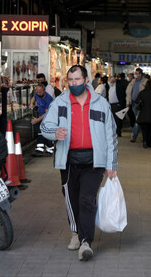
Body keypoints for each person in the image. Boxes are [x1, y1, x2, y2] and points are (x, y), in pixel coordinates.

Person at [41, 65, 118, 261]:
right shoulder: (60, 102)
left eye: (77, 79)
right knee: (72, 200)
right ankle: (75, 233)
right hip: (68, 160)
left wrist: (111, 165)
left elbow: (111, 137)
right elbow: (45, 126)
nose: (74, 83)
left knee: (87, 199)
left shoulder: (101, 104)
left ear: (86, 80)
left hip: (95, 161)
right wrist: (54, 133)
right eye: (71, 80)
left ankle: (85, 242)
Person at [30, 83, 55, 157]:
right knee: (41, 133)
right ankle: (40, 150)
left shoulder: (48, 99)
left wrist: (37, 120)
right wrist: (31, 103)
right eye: (37, 91)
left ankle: (49, 150)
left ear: (44, 91)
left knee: (47, 134)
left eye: (40, 92)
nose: (38, 93)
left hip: (48, 119)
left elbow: (47, 114)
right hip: (41, 117)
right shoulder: (37, 94)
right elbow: (34, 97)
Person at [135, 80, 151, 148]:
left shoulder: (142, 93)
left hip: (143, 114)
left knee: (144, 130)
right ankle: (149, 142)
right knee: (150, 130)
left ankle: (145, 142)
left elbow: (137, 101)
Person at [126, 68, 147, 142]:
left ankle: (134, 136)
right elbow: (128, 93)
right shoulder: (133, 81)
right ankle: (144, 136)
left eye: (137, 73)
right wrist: (128, 102)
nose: (135, 75)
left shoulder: (145, 81)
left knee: (138, 120)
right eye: (135, 73)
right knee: (138, 120)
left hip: (142, 103)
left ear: (140, 74)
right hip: (134, 103)